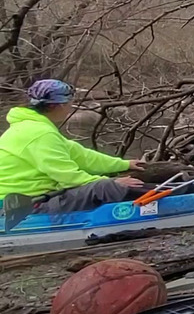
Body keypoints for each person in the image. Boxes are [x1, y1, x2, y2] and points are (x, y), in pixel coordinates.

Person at [0, 79, 145, 215]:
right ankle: (155, 205)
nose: (70, 107)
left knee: (107, 184)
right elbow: (67, 176)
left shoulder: (32, 128)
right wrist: (111, 183)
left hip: (37, 198)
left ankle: (159, 197)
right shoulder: (39, 133)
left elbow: (82, 156)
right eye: (69, 103)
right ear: (56, 106)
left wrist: (123, 164)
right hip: (24, 207)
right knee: (104, 187)